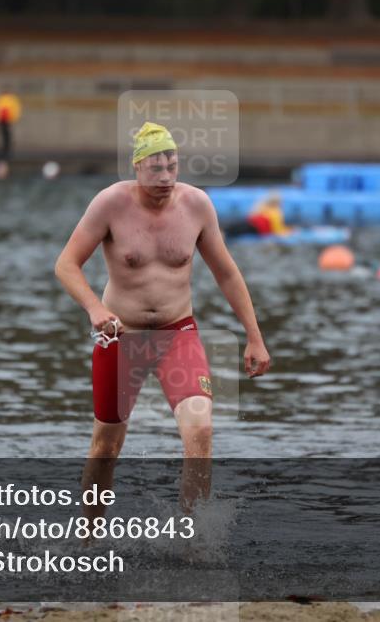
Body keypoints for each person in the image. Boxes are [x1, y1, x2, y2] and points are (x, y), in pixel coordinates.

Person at [54, 121, 271, 512]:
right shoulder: (110, 204)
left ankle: (193, 539)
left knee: (200, 429)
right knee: (107, 445)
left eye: (172, 166)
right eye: (156, 168)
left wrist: (254, 337)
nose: (166, 177)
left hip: (177, 333)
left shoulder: (196, 205)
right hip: (121, 336)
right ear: (136, 168)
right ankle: (89, 540)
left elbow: (226, 273)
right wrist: (96, 308)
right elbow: (66, 264)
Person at [223, 190, 293, 238]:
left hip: (253, 225)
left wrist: (287, 230)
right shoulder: (275, 212)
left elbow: (252, 214)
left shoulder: (267, 208)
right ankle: (223, 232)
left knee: (235, 228)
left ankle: (223, 232)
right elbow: (277, 229)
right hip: (254, 226)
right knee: (235, 228)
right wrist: (288, 231)